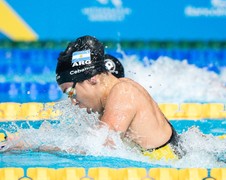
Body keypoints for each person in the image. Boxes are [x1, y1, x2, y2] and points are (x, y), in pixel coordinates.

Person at [55, 35, 184, 160]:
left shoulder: (123, 92)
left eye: (71, 92)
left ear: (91, 79)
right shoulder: (120, 88)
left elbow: (100, 146)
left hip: (169, 169)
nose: (73, 101)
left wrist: (50, 148)